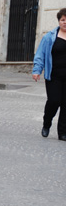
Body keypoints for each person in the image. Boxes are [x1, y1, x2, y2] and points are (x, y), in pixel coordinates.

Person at [32, 8, 66, 141]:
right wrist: (36, 70)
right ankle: (47, 124)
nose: (65, 22)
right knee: (54, 101)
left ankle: (62, 132)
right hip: (54, 76)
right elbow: (41, 54)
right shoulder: (49, 37)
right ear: (59, 21)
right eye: (63, 20)